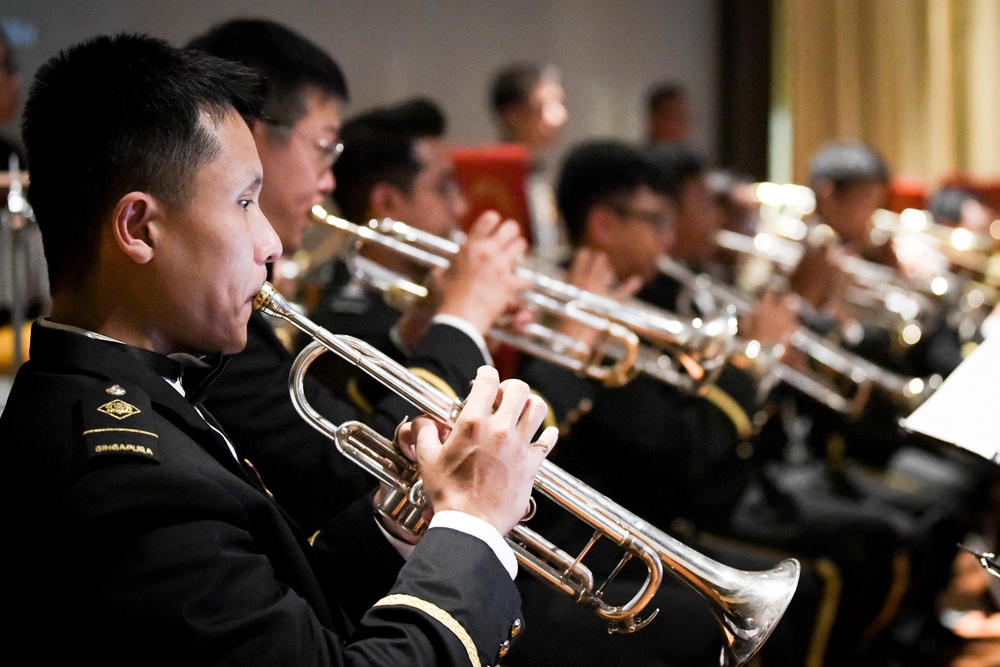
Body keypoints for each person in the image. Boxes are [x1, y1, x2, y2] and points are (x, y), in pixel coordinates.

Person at [3, 32, 557, 664]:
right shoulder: (123, 479)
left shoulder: (135, 398)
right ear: (138, 227)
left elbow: (278, 610)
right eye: (244, 202)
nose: (270, 244)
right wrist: (472, 528)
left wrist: (405, 517)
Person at [189, 20, 530, 536]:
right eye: (324, 147)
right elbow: (343, 473)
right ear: (248, 136)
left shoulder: (236, 313)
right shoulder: (204, 323)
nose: (328, 182)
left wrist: (424, 331)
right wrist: (462, 322)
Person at [489, 62, 569, 263]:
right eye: (542, 106)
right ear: (511, 115)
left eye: (560, 104)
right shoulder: (495, 176)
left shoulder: (536, 170)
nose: (559, 117)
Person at [646, 82, 691, 146]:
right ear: (653, 120)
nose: (679, 127)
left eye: (683, 119)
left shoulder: (693, 155)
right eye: (671, 118)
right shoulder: (635, 155)